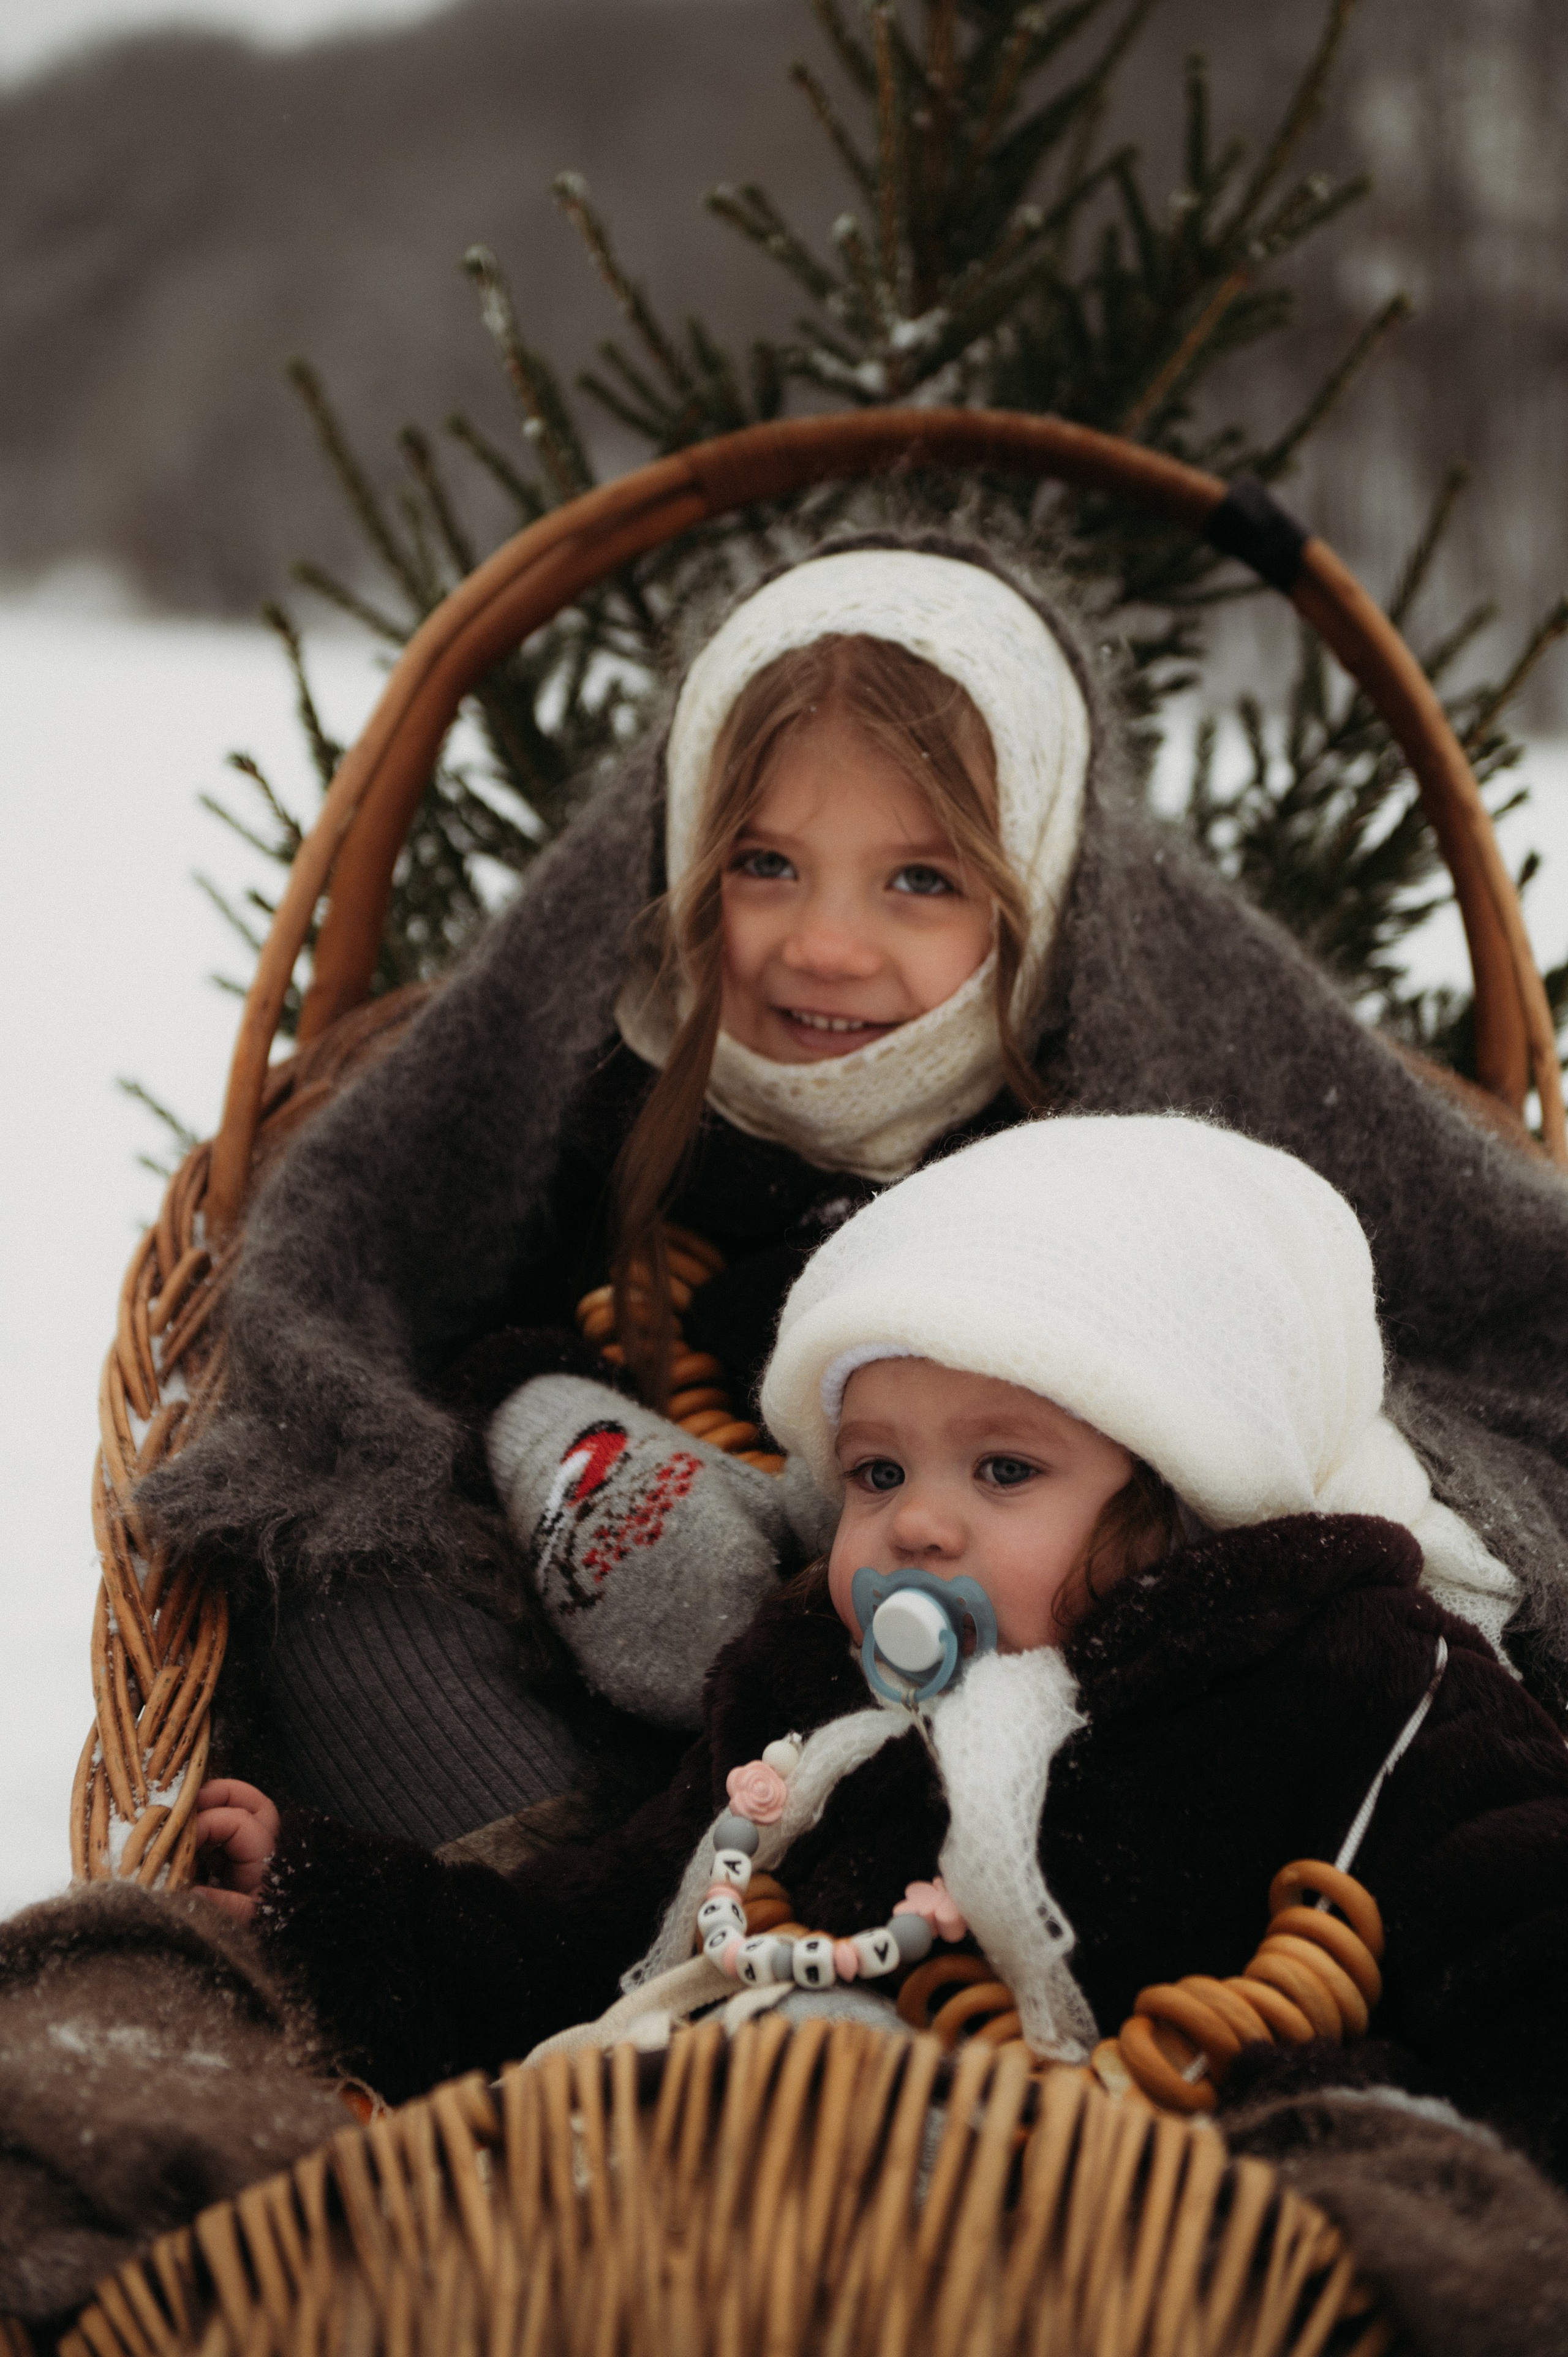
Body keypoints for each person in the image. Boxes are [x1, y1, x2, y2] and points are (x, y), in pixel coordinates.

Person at [138, 526, 1568, 1868]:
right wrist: (538, 1423)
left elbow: (1378, 1360)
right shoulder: (600, 1083)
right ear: (685, 852)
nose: (822, 945)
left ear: (1036, 898)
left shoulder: (1089, 1134)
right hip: (623, 1744)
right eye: (763, 864)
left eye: (918, 881)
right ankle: (572, 1948)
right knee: (332, 1577)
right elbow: (386, 1304)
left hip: (1002, 1731)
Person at [193, 1115, 1568, 2212]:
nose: (913, 1517)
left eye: (1004, 1466)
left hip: (1130, 2219)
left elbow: (1512, 1902)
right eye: (874, 1468)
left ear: (1188, 1482)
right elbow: (587, 1928)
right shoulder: (810, 1686)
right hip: (698, 2193)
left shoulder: (1332, 1653)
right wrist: (343, 1909)